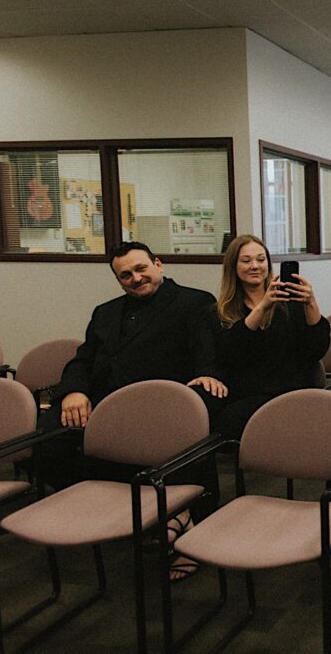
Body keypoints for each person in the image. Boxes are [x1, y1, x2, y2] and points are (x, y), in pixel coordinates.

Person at [38, 241, 227, 580]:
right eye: (125, 275)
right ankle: (113, 512)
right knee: (46, 437)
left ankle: (178, 518)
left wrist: (208, 375)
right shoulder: (105, 312)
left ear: (158, 264)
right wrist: (75, 392)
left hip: (158, 401)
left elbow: (206, 355)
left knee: (172, 434)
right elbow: (82, 359)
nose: (136, 278)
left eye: (141, 269)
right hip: (101, 400)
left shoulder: (194, 302)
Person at [212, 234, 330, 441]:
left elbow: (316, 350)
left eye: (261, 259)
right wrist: (263, 307)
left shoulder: (290, 303)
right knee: (224, 422)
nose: (255, 266)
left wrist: (311, 303)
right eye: (246, 261)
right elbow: (230, 354)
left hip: (293, 391)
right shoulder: (222, 311)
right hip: (249, 395)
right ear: (233, 267)